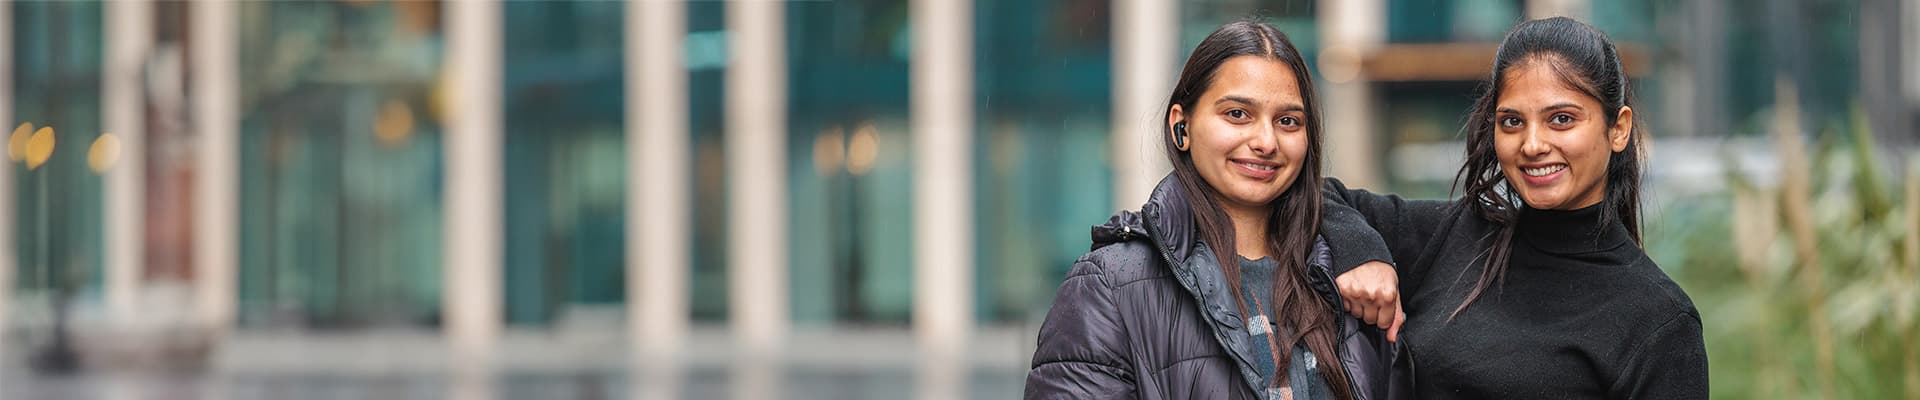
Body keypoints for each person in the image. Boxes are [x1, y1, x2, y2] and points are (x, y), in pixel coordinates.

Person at [1323, 17, 1708, 398]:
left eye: (1561, 119)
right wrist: (1364, 252)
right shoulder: (1452, 236)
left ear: (1618, 129)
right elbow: (1316, 195)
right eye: (1512, 122)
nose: (1532, 144)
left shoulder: (1658, 319)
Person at [1026, 21, 1408, 400]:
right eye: (1237, 114)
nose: (1265, 141)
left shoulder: (1349, 283)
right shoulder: (1109, 285)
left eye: (1288, 121)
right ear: (1183, 126)